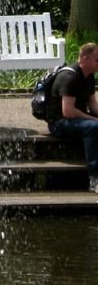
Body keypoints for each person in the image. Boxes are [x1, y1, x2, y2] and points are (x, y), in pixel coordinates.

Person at [47, 42, 98, 192]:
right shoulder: (69, 77)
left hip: (76, 118)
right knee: (94, 127)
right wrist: (94, 119)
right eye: (97, 59)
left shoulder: (89, 76)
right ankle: (94, 178)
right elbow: (68, 111)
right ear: (85, 58)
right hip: (59, 123)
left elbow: (93, 105)